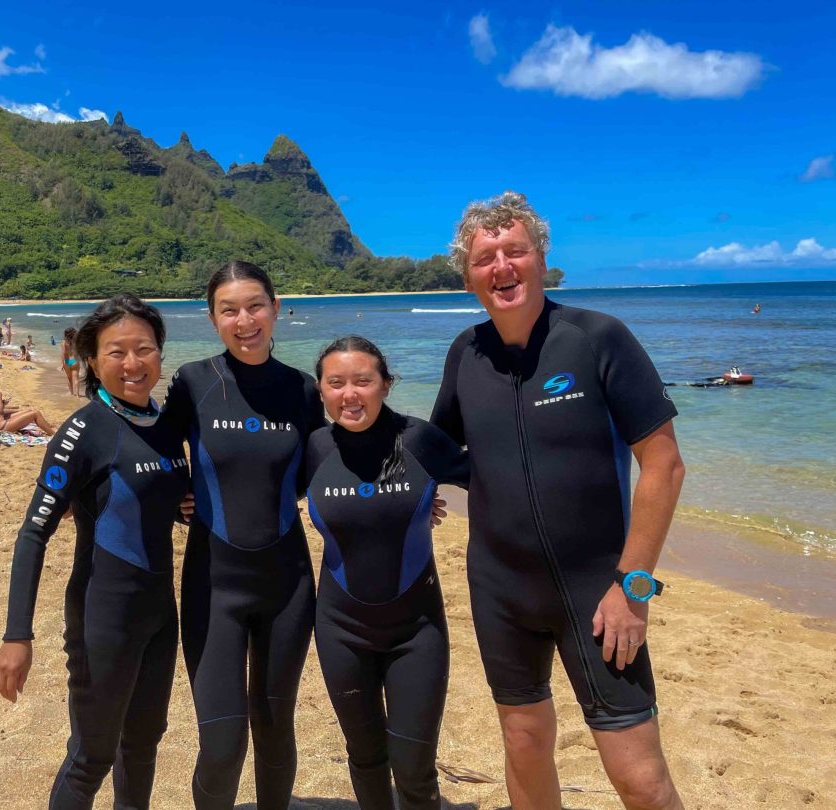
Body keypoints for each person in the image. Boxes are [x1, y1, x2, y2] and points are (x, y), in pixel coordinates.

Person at [431, 191, 686, 810]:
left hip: (598, 593)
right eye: (485, 257)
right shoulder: (465, 354)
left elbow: (664, 465)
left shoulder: (597, 337)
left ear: (542, 261)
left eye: (514, 250)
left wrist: (634, 587)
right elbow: (439, 451)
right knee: (522, 744)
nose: (502, 267)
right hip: (500, 592)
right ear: (468, 278)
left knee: (637, 775)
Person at [0, 295, 191, 808]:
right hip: (103, 616)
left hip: (159, 617)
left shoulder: (166, 427)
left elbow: (150, 499)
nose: (132, 363)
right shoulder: (81, 433)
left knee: (144, 743)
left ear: (160, 355)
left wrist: (182, 507)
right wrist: (18, 636)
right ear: (92, 361)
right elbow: (34, 533)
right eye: (116, 351)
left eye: (144, 349)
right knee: (91, 757)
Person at [162, 260, 326, 809]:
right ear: (213, 319)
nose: (245, 320)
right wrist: (173, 495)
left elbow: (343, 459)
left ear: (276, 309)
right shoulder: (193, 382)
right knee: (223, 742)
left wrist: (413, 493)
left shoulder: (304, 391)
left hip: (289, 585)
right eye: (229, 310)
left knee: (276, 728)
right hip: (215, 585)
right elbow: (148, 452)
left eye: (256, 306)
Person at [307, 336, 467, 809]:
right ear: (321, 391)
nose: (349, 394)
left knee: (415, 768)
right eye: (336, 383)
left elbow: (494, 479)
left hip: (416, 631)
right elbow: (250, 490)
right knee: (366, 758)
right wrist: (182, 502)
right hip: (340, 629)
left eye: (363, 381)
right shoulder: (315, 447)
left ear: (386, 385)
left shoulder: (418, 440)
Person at [0, 371, 55, 444]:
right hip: (2, 425)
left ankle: (48, 426)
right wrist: (3, 403)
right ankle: (53, 435)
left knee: (31, 411)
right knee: (35, 413)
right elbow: (0, 410)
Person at [61, 327, 79, 396]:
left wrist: (63, 364)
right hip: (75, 360)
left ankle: (71, 393)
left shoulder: (64, 342)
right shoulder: (76, 342)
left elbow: (64, 353)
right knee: (76, 378)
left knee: (69, 378)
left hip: (67, 361)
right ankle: (77, 395)